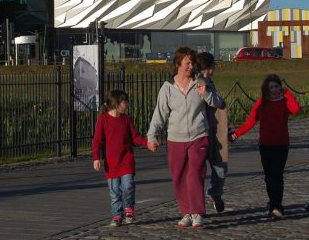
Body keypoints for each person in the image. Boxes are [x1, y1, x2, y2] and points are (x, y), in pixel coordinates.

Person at [147, 47, 224, 229]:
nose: (191, 66)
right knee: (179, 176)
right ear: (178, 64)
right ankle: (186, 212)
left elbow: (218, 102)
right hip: (175, 138)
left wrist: (206, 93)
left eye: (192, 62)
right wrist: (152, 135)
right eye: (187, 62)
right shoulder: (167, 88)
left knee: (195, 173)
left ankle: (197, 212)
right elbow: (160, 114)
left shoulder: (201, 81)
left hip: (199, 136)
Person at [229, 73, 301, 219]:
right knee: (269, 176)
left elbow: (296, 110)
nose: (274, 89)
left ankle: (277, 205)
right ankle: (272, 203)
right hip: (265, 145)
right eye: (271, 87)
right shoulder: (262, 103)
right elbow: (250, 122)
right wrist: (236, 134)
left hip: (281, 144)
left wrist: (287, 93)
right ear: (266, 89)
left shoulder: (284, 101)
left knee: (277, 175)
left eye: (276, 86)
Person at [92, 89, 149, 227]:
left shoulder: (126, 119)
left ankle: (129, 208)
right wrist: (96, 158)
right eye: (124, 102)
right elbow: (97, 140)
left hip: (126, 160)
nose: (127, 104)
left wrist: (148, 143)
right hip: (111, 163)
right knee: (115, 191)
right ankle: (117, 214)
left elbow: (135, 137)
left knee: (128, 185)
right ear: (116, 104)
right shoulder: (103, 119)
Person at [195, 52, 228, 213]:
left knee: (220, 166)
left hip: (215, 130)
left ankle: (215, 193)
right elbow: (215, 101)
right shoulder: (199, 82)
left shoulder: (209, 81)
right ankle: (198, 203)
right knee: (199, 170)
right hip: (201, 131)